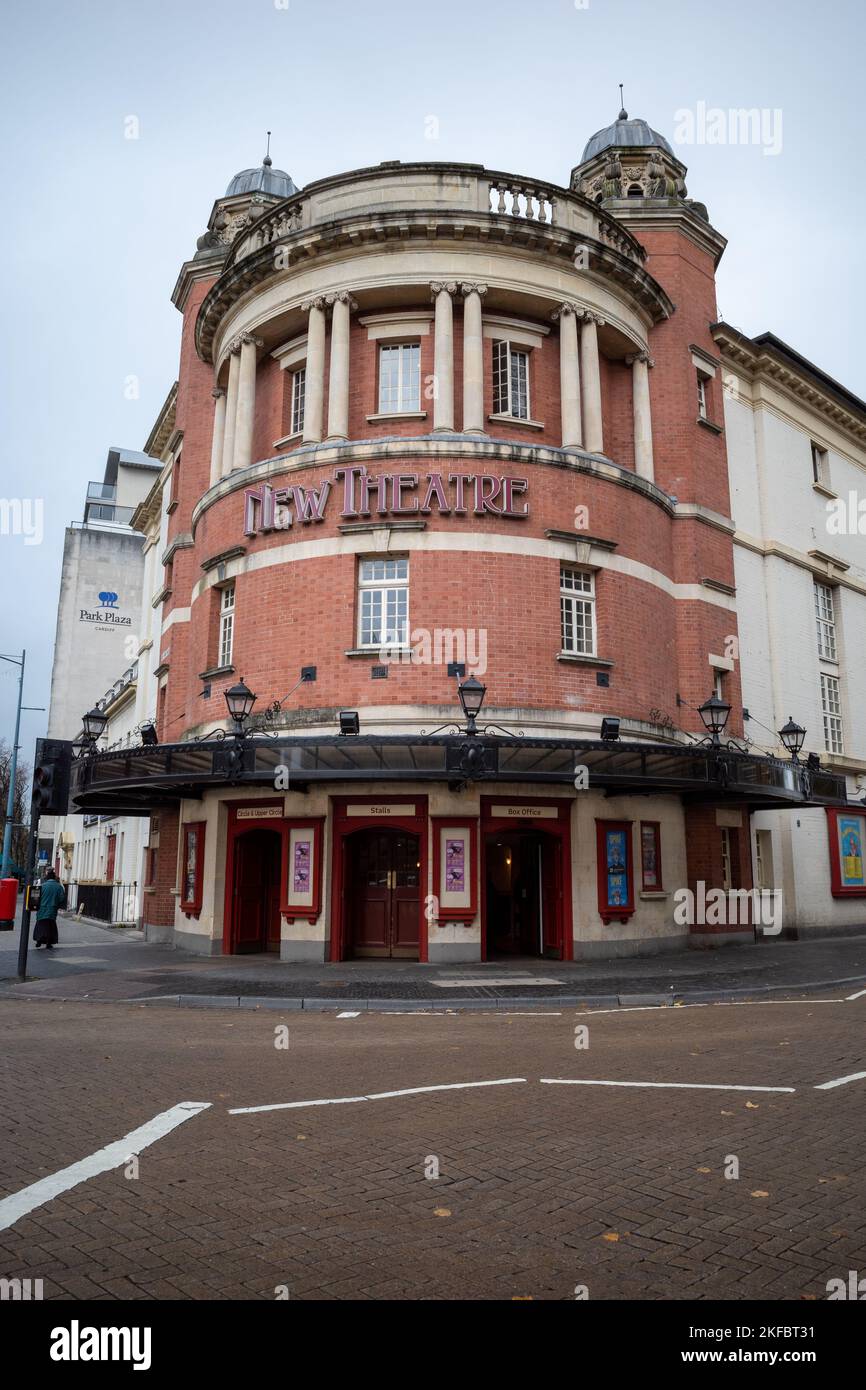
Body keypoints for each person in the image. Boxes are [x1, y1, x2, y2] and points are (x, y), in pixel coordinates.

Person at [33, 869, 66, 950]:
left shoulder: (42, 886)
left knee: (40, 925)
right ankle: (48, 943)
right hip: (52, 909)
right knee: (50, 926)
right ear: (54, 878)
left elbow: (35, 898)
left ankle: (39, 940)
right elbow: (62, 898)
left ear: (47, 878)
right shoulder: (59, 887)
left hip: (42, 909)